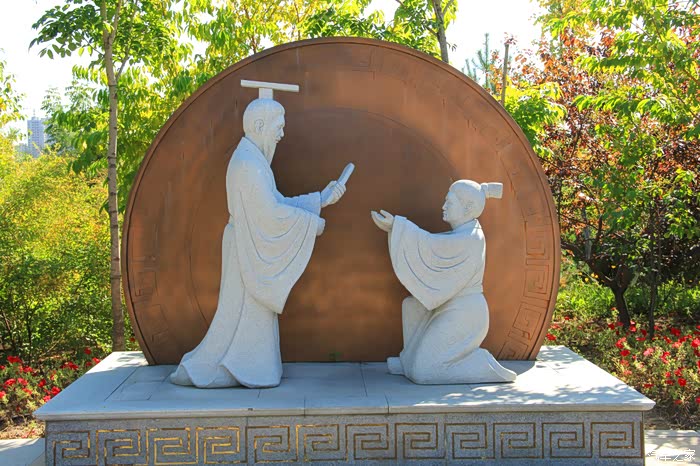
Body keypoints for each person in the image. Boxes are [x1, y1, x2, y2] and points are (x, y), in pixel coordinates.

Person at [170, 85, 346, 388]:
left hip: (247, 243)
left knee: (246, 312)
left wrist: (320, 199)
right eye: (279, 128)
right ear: (260, 126)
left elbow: (275, 202)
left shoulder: (254, 161)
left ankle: (245, 368)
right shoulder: (248, 164)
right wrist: (310, 224)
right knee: (241, 310)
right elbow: (269, 214)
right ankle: (232, 369)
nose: (281, 135)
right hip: (246, 247)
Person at [371, 180, 516, 384]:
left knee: (423, 373)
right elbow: (435, 243)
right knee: (412, 306)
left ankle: (482, 363)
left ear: (468, 208)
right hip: (451, 306)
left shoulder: (471, 238)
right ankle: (409, 360)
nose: (443, 206)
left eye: (450, 202)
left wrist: (397, 226)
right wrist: (396, 227)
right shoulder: (464, 234)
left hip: (465, 315)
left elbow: (433, 245)